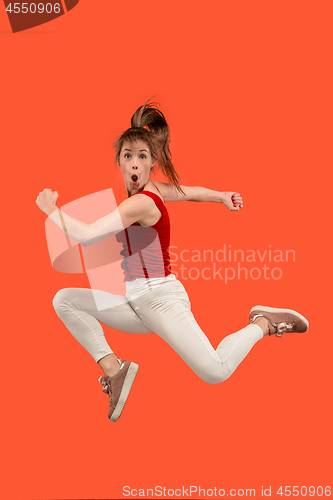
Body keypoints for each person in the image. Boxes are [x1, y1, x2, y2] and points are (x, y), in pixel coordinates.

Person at [36, 100, 309, 422]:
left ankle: (264, 322)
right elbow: (188, 191)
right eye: (128, 156)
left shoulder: (141, 202)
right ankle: (114, 369)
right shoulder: (153, 192)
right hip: (135, 301)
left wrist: (51, 209)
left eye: (142, 157)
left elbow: (87, 235)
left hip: (161, 299)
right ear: (119, 163)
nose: (134, 163)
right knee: (65, 300)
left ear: (152, 163)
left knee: (215, 371)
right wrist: (220, 196)